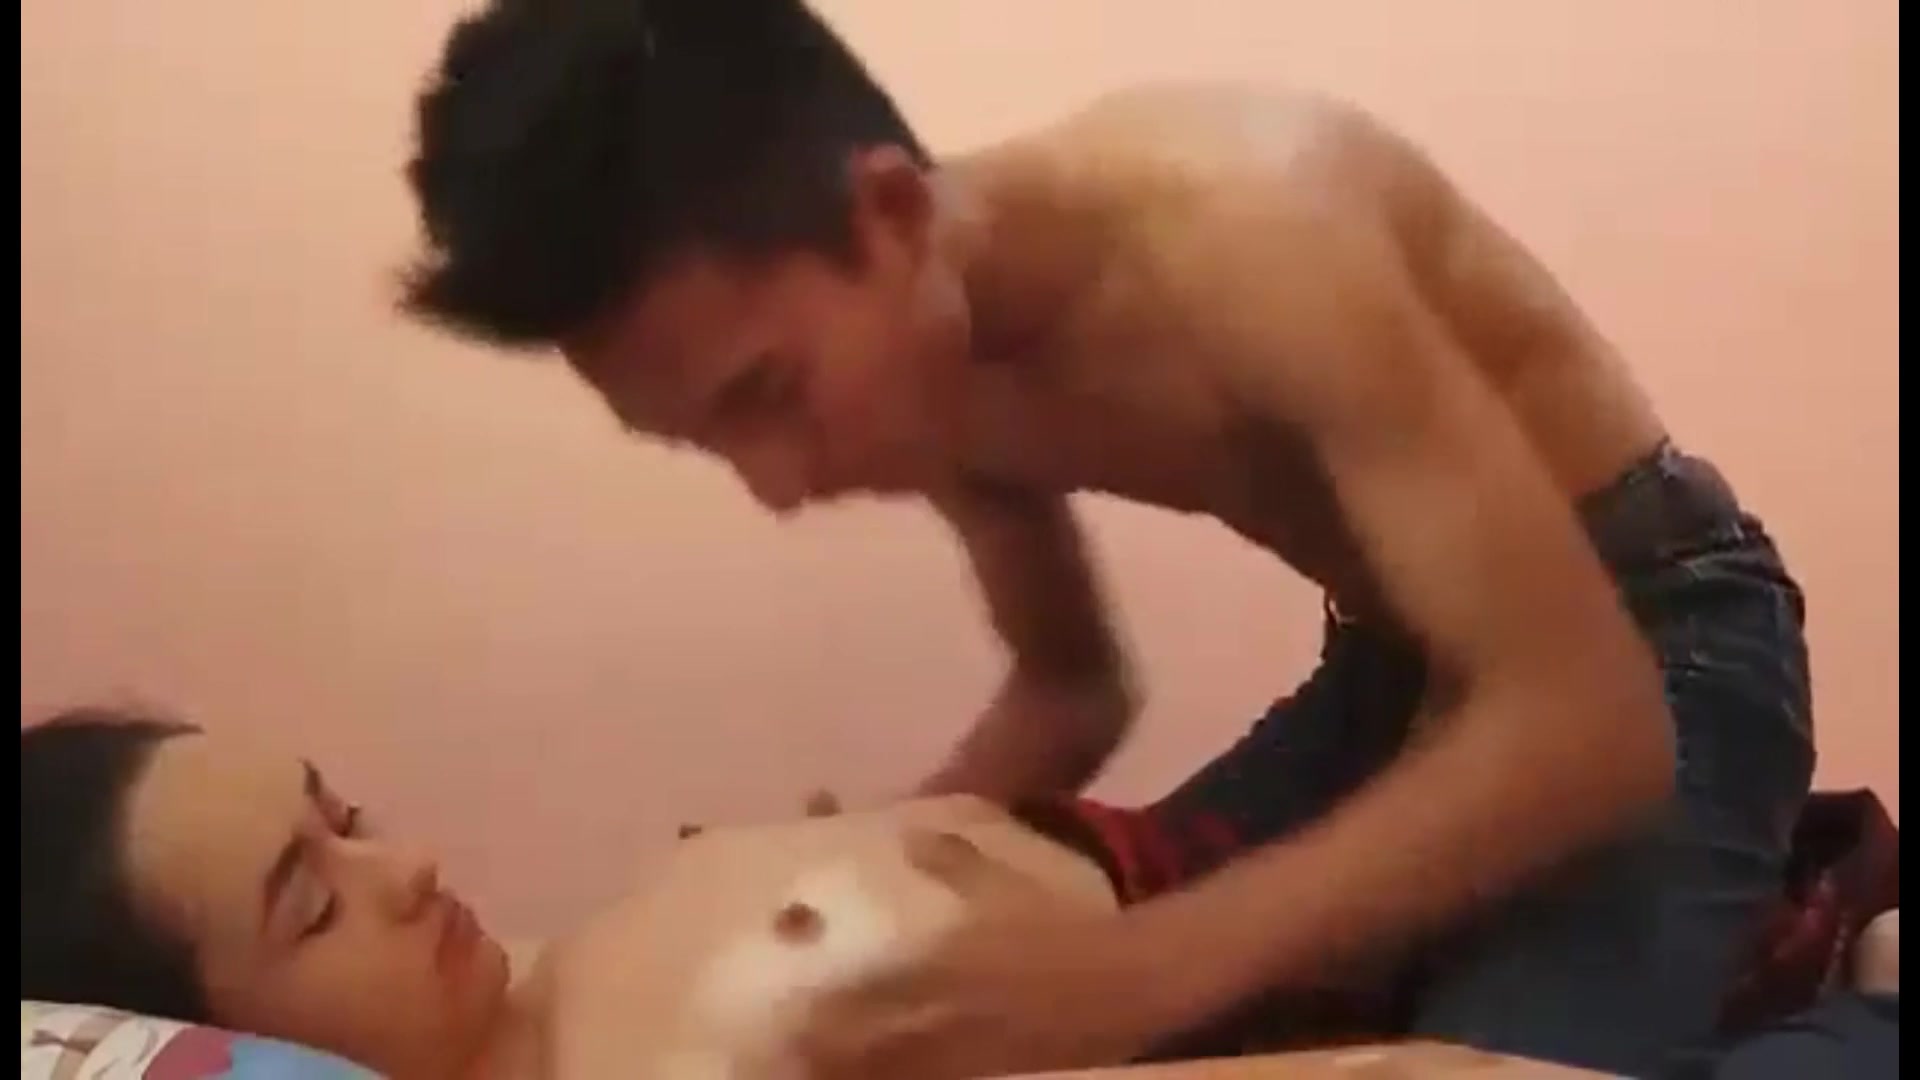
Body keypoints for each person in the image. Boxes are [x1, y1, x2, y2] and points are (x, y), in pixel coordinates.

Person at [399, 1, 1815, 1076]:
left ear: (891, 213)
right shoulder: (933, 368)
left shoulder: (1257, 229)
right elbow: (1072, 688)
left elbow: (1588, 725)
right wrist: (863, 868)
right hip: (1394, 668)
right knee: (1004, 997)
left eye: (764, 396)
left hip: (1658, 633)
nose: (772, 487)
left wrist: (1136, 977)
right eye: (703, 442)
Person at [19, 709, 1271, 1079]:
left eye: (344, 823)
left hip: (1181, 858)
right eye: (314, 907)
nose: (410, 869)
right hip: (1258, 983)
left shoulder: (513, 987)